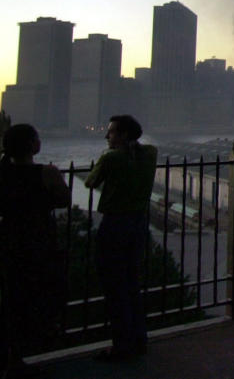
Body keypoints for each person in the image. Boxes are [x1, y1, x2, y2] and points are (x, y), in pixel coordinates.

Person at [84, 115, 158, 360]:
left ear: (124, 135)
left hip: (115, 224)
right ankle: (139, 339)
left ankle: (121, 345)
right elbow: (140, 151)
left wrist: (108, 156)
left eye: (112, 132)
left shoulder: (111, 158)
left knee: (114, 286)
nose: (108, 136)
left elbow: (90, 182)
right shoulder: (150, 153)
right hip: (139, 223)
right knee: (132, 283)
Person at [0, 124, 70, 376]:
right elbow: (64, 199)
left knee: (11, 297)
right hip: (38, 239)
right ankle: (27, 349)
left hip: (9, 238)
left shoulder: (3, 172)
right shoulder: (46, 173)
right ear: (32, 145)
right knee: (38, 293)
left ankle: (12, 356)